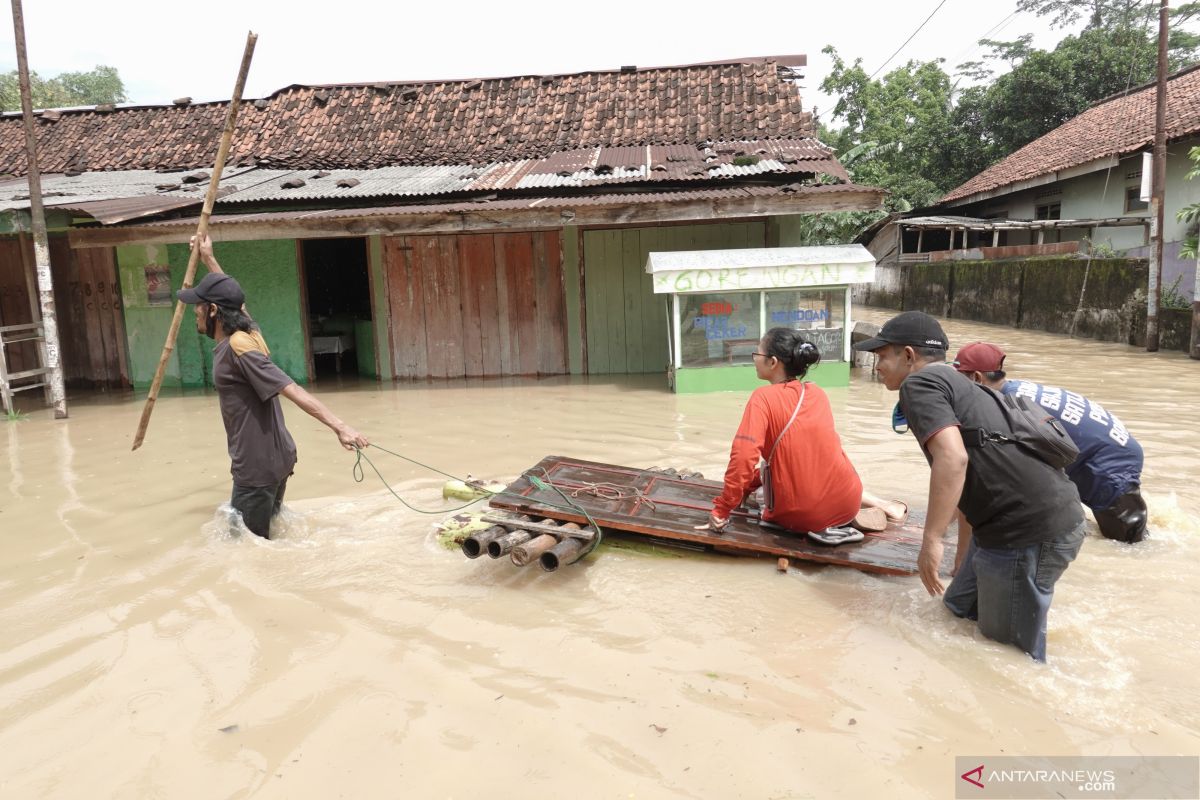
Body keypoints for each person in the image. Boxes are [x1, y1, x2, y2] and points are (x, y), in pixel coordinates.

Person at [854, 311, 1086, 662]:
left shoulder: (919, 385)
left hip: (1026, 531)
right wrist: (963, 552)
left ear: (908, 356)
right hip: (1031, 519)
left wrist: (931, 540)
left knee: (1007, 658)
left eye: (882, 355)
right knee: (955, 611)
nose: (876, 365)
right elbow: (974, 472)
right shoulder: (964, 386)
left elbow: (953, 459)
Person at [178, 235, 369, 539]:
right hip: (276, 459)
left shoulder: (239, 350)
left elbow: (291, 388)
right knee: (270, 534)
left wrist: (340, 427)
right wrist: (208, 258)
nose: (194, 312)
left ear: (213, 310)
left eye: (199, 307)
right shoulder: (248, 331)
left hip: (256, 468)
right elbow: (236, 301)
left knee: (243, 547)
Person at [699, 327, 908, 536]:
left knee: (761, 495)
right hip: (848, 503)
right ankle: (880, 506)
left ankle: (869, 508)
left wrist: (723, 508)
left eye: (757, 354)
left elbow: (743, 456)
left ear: (772, 362)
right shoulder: (817, 393)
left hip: (801, 517)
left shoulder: (762, 398)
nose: (754, 359)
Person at [952, 342, 1147, 543]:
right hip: (1104, 448)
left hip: (1110, 459)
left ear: (977, 378)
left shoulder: (1007, 406)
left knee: (1127, 543)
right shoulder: (1015, 390)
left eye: (958, 381)